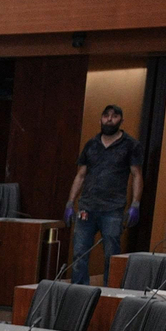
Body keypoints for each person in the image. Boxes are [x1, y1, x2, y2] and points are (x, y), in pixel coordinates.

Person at [64, 104, 145, 285]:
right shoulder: (91, 144)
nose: (109, 119)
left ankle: (110, 293)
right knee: (79, 252)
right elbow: (81, 175)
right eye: (106, 116)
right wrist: (70, 202)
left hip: (113, 209)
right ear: (100, 119)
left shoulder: (130, 145)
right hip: (87, 206)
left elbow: (137, 175)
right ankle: (79, 292)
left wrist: (135, 205)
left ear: (121, 121)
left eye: (114, 116)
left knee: (111, 255)